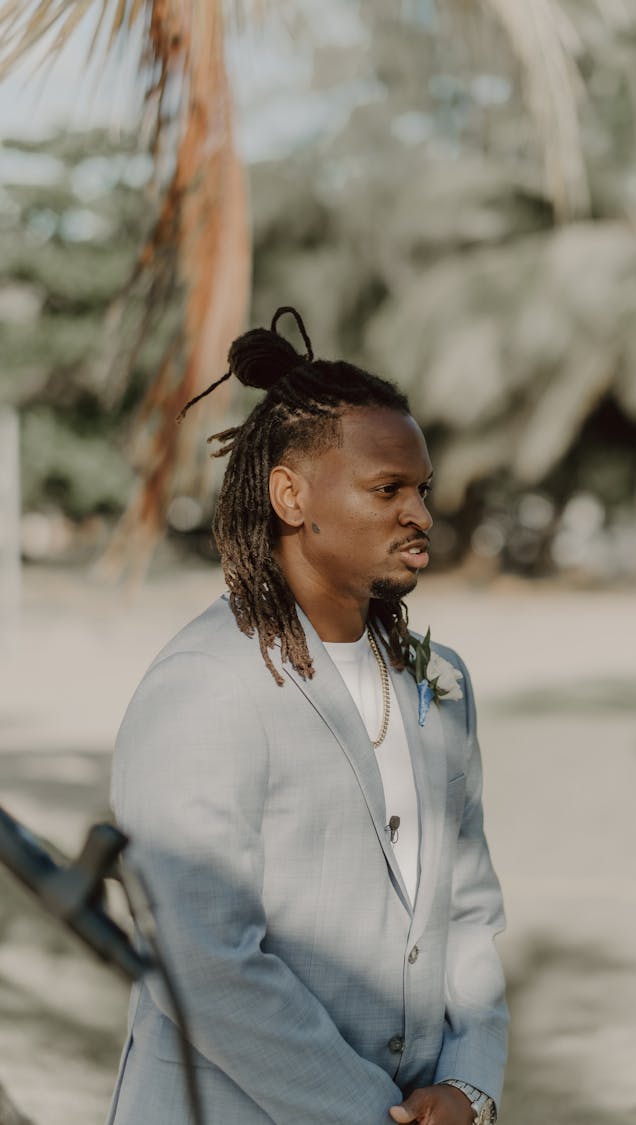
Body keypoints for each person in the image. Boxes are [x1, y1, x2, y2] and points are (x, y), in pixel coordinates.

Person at [106, 307, 508, 1125]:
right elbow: (203, 958)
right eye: (387, 489)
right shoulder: (206, 685)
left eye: (421, 489)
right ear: (290, 495)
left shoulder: (443, 682)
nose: (420, 515)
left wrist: (469, 1084)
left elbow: (469, 909)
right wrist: (369, 1114)